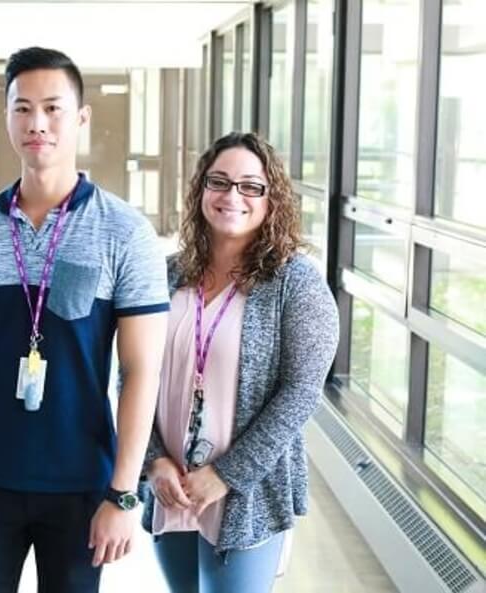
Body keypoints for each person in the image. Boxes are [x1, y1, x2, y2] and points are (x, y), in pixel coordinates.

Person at [0, 47, 170, 592]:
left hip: (81, 481)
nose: (37, 124)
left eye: (53, 108)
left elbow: (142, 371)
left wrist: (124, 493)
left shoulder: (126, 232)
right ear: (7, 117)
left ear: (81, 118)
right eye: (23, 108)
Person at [142, 132, 339, 593]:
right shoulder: (168, 274)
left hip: (245, 492)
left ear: (272, 199)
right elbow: (133, 373)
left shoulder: (296, 283)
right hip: (172, 485)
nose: (232, 196)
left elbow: (301, 393)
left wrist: (227, 475)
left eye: (251, 186)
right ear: (201, 190)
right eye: (220, 182)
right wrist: (153, 460)